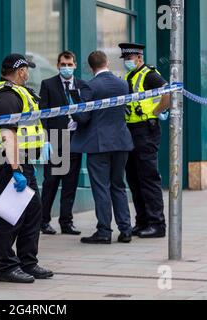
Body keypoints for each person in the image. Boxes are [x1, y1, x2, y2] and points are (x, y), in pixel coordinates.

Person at [0, 53, 54, 283]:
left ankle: (28, 262)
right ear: (20, 70)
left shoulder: (18, 92)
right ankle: (7, 267)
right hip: (7, 160)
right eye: (26, 69)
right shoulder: (7, 95)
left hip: (22, 160)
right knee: (11, 213)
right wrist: (15, 168)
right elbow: (7, 135)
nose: (28, 73)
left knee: (33, 210)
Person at [71, 51, 134, 244]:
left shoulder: (91, 86)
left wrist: (73, 106)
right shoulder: (122, 83)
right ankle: (126, 230)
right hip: (121, 142)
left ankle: (104, 231)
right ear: (106, 62)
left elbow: (83, 117)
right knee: (118, 186)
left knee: (101, 188)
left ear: (91, 67)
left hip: (99, 144)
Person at [119, 43, 170, 238]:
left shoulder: (150, 74)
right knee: (133, 178)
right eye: (125, 59)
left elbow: (168, 93)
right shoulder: (129, 76)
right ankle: (142, 222)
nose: (127, 62)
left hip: (145, 131)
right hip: (130, 130)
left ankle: (157, 224)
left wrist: (156, 112)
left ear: (139, 58)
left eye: (129, 59)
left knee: (148, 178)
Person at [39, 51, 90, 236]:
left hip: (75, 140)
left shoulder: (83, 85)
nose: (66, 68)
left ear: (75, 65)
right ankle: (43, 221)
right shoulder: (48, 84)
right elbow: (42, 114)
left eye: (69, 64)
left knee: (71, 183)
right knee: (51, 182)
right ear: (57, 65)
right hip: (55, 139)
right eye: (63, 64)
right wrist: (45, 139)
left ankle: (66, 222)